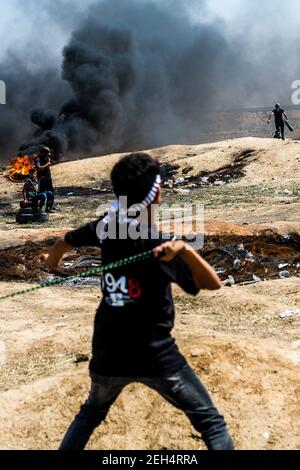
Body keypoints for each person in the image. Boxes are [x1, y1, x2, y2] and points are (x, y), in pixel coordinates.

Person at [41, 152, 234, 451]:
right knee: (211, 423)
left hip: (107, 351)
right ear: (156, 194)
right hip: (155, 355)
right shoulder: (160, 246)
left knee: (90, 413)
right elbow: (213, 283)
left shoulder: (106, 226)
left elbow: (64, 240)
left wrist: (52, 263)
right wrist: (184, 250)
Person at [34, 146, 56, 211]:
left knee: (51, 191)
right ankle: (41, 208)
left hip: (48, 176)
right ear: (42, 153)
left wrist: (48, 160)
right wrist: (47, 164)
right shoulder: (37, 159)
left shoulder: (46, 157)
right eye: (46, 154)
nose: (48, 156)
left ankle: (50, 206)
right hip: (41, 178)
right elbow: (39, 168)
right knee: (42, 192)